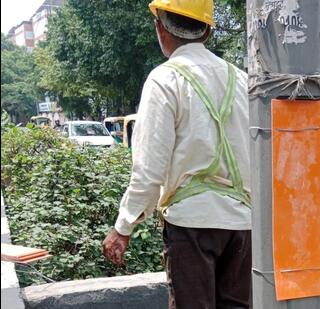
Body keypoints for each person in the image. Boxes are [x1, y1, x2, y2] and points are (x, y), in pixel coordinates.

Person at [102, 1, 252, 308]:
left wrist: (123, 227)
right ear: (208, 31)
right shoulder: (241, 80)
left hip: (191, 225)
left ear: (160, 27)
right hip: (241, 225)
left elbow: (148, 171)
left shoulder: (164, 79)